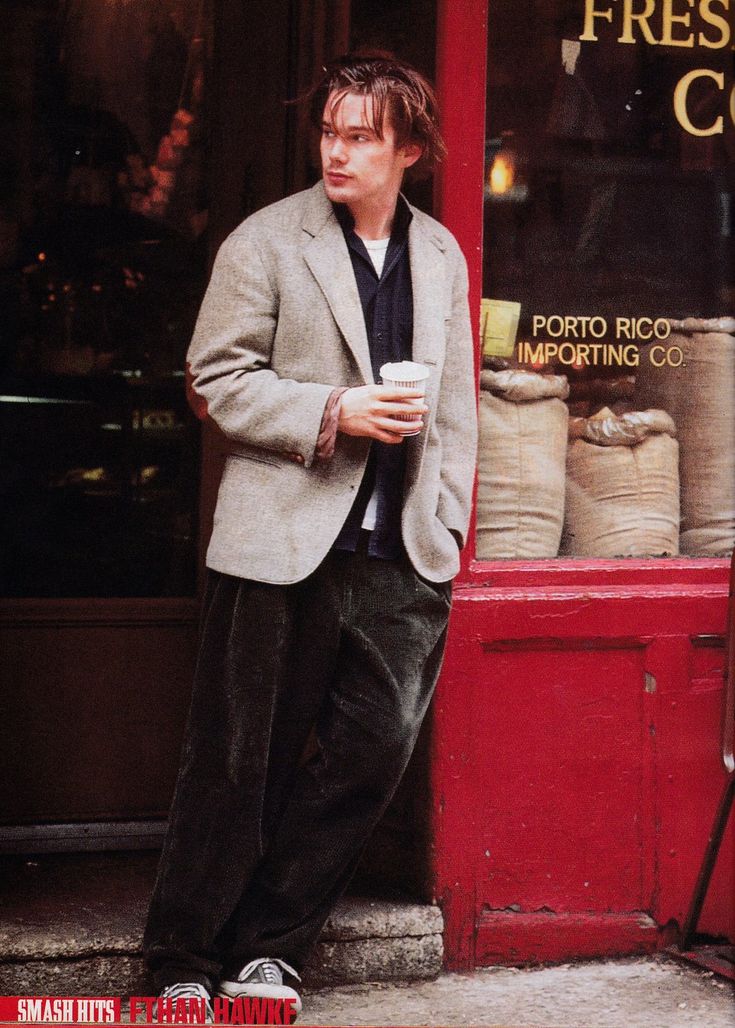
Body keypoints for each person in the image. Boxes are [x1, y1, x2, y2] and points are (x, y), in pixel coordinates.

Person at [143, 52, 477, 1018]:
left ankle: (271, 950)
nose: (337, 150)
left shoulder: (443, 255)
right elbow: (215, 380)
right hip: (281, 541)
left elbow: (454, 409)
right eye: (330, 131)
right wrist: (335, 410)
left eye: (361, 135)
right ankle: (181, 960)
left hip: (400, 551)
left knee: (372, 756)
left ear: (408, 148)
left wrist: (444, 518)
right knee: (237, 759)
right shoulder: (266, 241)